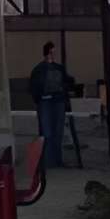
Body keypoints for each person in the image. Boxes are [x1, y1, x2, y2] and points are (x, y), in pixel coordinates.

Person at [28, 39, 72, 167]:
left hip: (52, 101)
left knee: (53, 132)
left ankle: (53, 160)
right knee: (49, 132)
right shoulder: (42, 69)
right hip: (49, 101)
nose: (52, 54)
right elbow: (34, 87)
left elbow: (66, 82)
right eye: (51, 52)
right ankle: (50, 160)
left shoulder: (45, 69)